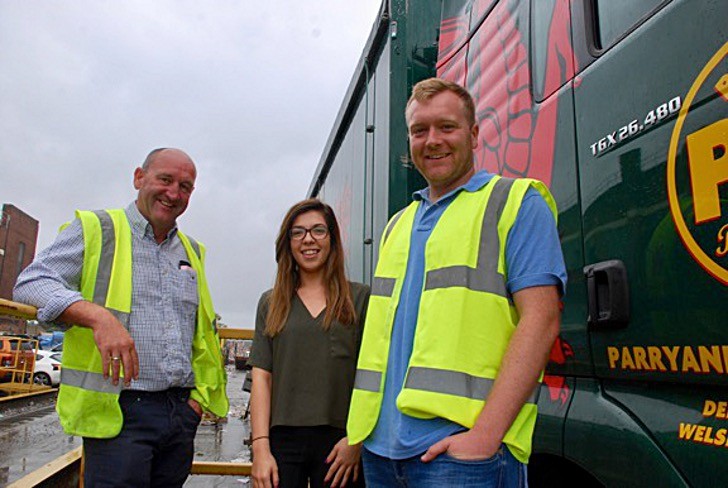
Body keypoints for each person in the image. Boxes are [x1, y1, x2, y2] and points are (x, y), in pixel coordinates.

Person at [346, 78, 567, 487]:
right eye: (419, 130)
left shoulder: (516, 201)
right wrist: (363, 437)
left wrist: (485, 436)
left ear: (474, 134)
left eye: (446, 127)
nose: (432, 140)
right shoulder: (399, 224)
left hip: (462, 458)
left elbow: (541, 321)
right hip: (380, 453)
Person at [13, 148, 228, 487]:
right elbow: (31, 283)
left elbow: (201, 332)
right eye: (165, 180)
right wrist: (97, 316)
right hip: (119, 412)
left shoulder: (191, 251)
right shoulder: (98, 229)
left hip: (179, 413)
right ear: (139, 178)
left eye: (185, 186)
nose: (174, 193)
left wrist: (196, 404)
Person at [249, 199, 370, 488]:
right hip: (282, 444)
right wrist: (260, 448)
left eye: (318, 230)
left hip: (341, 444)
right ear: (288, 243)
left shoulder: (361, 299)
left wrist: (357, 440)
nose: (308, 240)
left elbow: (373, 376)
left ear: (332, 239)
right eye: (298, 232)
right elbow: (261, 379)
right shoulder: (271, 303)